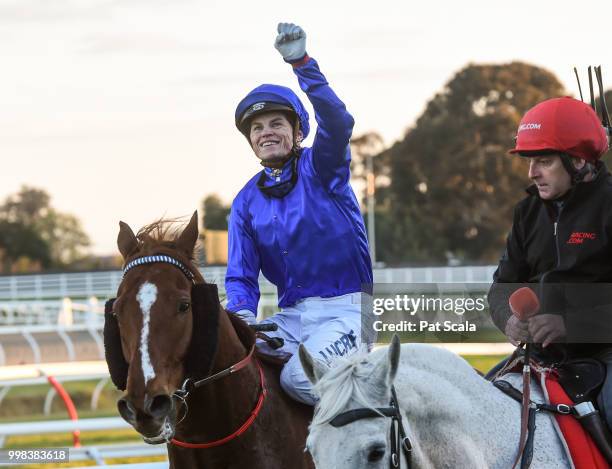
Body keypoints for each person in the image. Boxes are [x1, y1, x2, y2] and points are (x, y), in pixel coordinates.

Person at [225, 22, 373, 405]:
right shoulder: (244, 202)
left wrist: (302, 63)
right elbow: (241, 276)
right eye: (257, 128)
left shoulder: (322, 169)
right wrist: (240, 322)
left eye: (276, 123)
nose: (266, 132)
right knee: (227, 369)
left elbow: (338, 121)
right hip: (291, 318)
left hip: (348, 312)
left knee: (298, 380)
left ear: (297, 131)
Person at [488, 96, 612, 427]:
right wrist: (509, 321)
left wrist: (570, 325)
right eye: (530, 162)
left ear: (579, 162)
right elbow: (501, 288)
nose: (532, 173)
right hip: (540, 358)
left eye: (544, 161)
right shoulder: (526, 213)